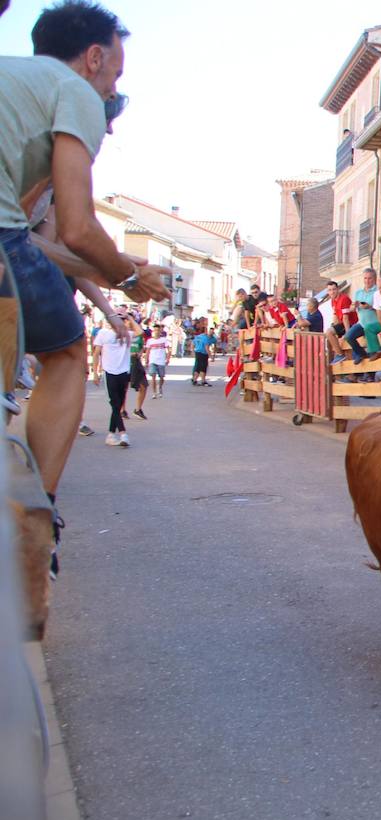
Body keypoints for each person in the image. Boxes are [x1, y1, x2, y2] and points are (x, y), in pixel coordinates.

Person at [1, 0, 168, 533]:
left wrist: (110, 270)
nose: (110, 94)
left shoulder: (14, 79)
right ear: (93, 58)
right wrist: (126, 276)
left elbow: (36, 244)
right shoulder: (75, 93)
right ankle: (34, 510)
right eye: (114, 77)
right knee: (68, 351)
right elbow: (77, 226)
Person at [91, 310, 131, 446]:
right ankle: (123, 433)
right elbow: (96, 353)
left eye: (121, 319)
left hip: (124, 372)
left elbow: (140, 333)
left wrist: (129, 317)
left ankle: (110, 434)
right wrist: (95, 373)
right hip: (109, 372)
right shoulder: (103, 333)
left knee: (118, 404)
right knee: (115, 404)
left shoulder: (127, 334)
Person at [325, 278, 356, 362]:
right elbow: (335, 315)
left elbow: (346, 318)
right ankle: (342, 358)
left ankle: (340, 354)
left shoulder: (344, 299)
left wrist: (347, 334)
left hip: (350, 324)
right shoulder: (333, 300)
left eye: (334, 289)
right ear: (328, 292)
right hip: (342, 323)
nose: (332, 292)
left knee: (329, 332)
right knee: (331, 333)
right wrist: (336, 329)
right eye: (330, 290)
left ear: (338, 289)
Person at [127, 315, 148, 418]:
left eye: (131, 320)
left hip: (136, 362)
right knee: (123, 388)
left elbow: (141, 346)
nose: (129, 322)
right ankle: (121, 411)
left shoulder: (138, 334)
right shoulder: (122, 334)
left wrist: (140, 353)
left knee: (143, 385)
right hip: (125, 363)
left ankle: (138, 409)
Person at [143, 323, 168, 397]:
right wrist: (146, 360)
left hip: (161, 360)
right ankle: (154, 392)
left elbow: (168, 349)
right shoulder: (150, 341)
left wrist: (168, 358)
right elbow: (148, 351)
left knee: (161, 377)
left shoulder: (164, 340)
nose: (156, 331)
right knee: (153, 376)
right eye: (155, 330)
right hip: (152, 360)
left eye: (158, 330)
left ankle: (159, 387)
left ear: (160, 331)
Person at [191, 322, 215, 386]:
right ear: (206, 331)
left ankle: (194, 380)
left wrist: (193, 351)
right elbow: (207, 347)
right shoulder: (205, 338)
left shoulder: (198, 337)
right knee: (203, 368)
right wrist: (211, 356)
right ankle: (203, 381)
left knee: (197, 367)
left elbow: (193, 344)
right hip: (203, 354)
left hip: (197, 353)